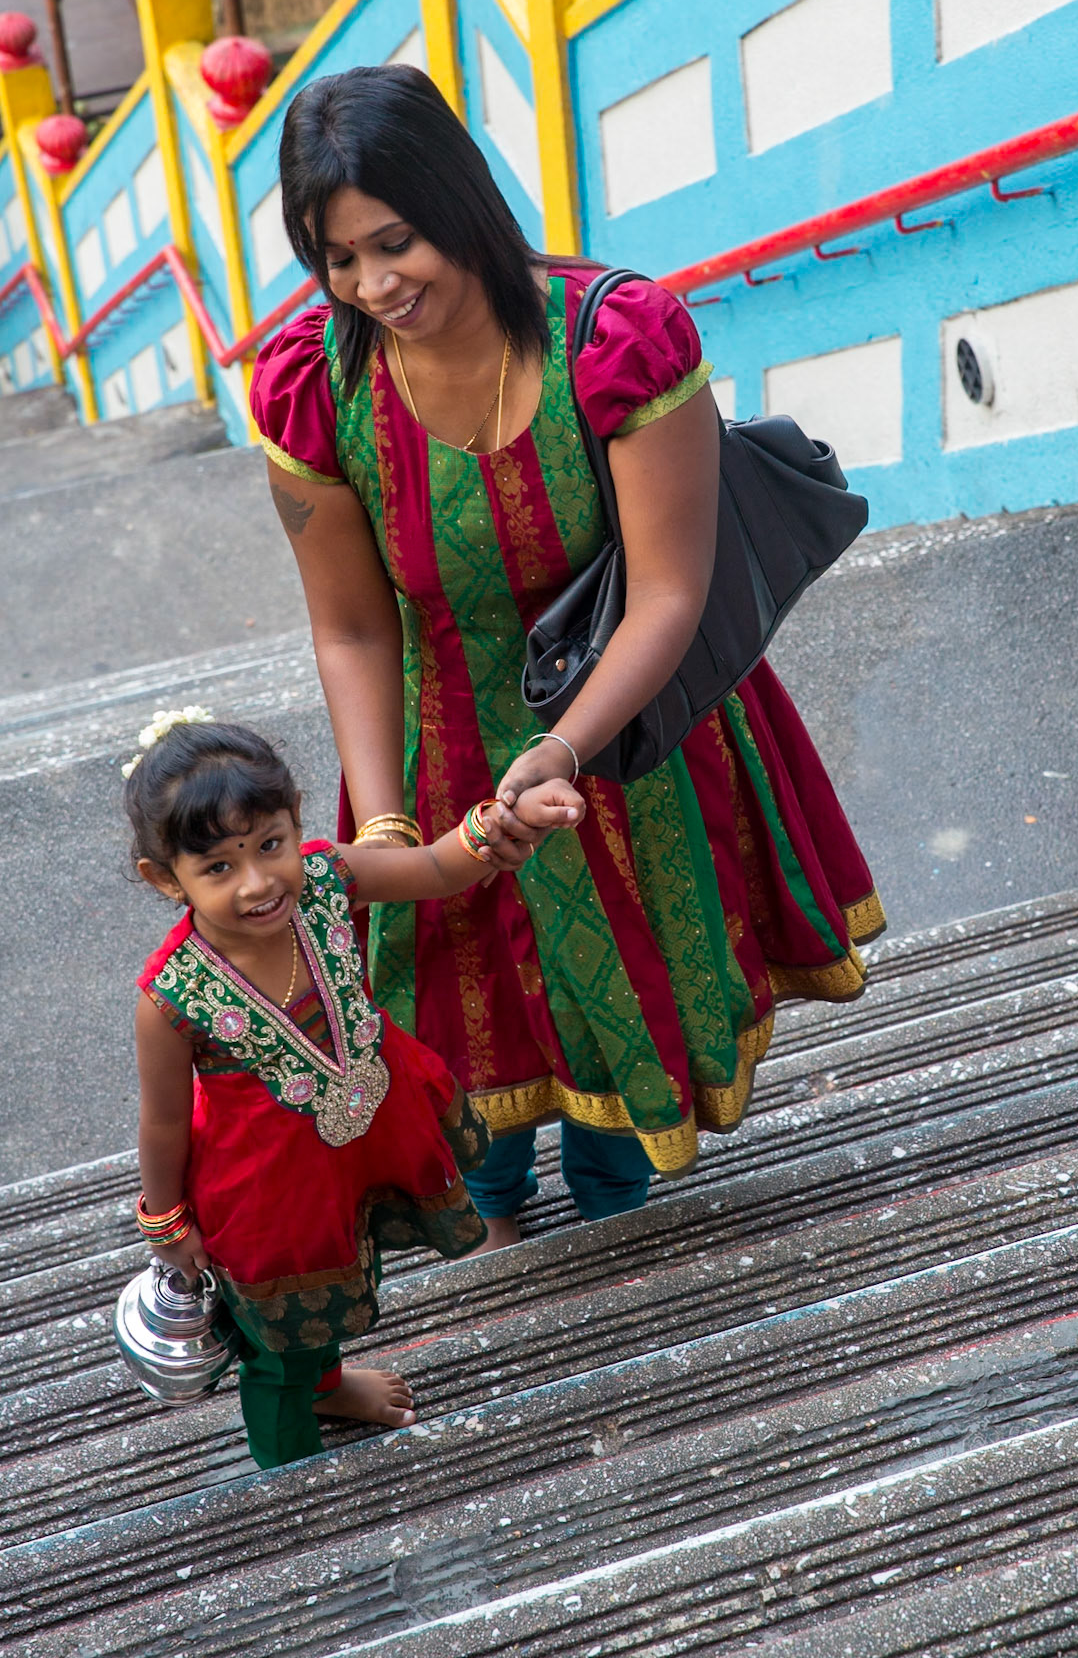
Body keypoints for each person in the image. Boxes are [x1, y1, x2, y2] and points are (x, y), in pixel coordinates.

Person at [251, 64, 884, 1242]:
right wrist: (390, 832)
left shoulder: (617, 336)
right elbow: (350, 623)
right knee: (456, 1014)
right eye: (338, 259)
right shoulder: (313, 386)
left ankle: (613, 1229)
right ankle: (492, 1229)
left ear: (462, 200)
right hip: (433, 745)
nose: (374, 284)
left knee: (623, 1009)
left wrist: (561, 748)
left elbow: (671, 591)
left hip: (625, 727)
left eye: (396, 242)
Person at [127, 712, 583, 1470]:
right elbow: (165, 1123)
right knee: (278, 1339)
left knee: (343, 1271)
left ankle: (327, 1384)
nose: (258, 883)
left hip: (367, 1131)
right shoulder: (168, 1000)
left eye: (269, 845)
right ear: (164, 878)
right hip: (266, 1188)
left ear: (295, 817)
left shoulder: (329, 878)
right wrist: (166, 1220)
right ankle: (293, 1475)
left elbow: (437, 869)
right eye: (218, 869)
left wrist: (506, 823)